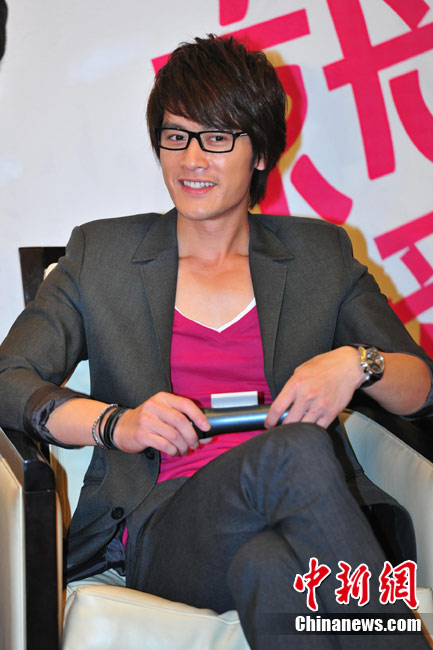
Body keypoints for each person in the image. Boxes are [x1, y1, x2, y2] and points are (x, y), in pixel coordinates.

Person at [0, 34, 432, 649]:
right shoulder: (104, 256)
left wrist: (356, 364)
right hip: (164, 528)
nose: (192, 159)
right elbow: (8, 377)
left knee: (270, 570)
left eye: (218, 137)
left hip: (294, 531)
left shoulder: (320, 256)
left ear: (261, 153)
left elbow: (421, 387)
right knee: (297, 449)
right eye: (176, 136)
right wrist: (116, 424)